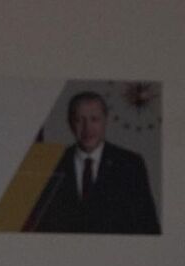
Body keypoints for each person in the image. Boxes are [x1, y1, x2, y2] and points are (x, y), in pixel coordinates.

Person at [29, 90, 160, 235]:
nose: (87, 128)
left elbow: (148, 227)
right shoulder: (51, 164)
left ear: (105, 120)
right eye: (80, 120)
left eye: (94, 119)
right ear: (70, 123)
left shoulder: (130, 165)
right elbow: (39, 227)